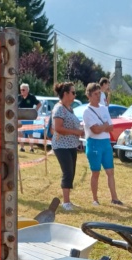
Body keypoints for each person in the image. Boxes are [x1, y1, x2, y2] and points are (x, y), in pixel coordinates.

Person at [82, 82, 122, 206]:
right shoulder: (87, 111)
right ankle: (95, 199)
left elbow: (110, 127)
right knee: (96, 172)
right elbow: (95, 130)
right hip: (94, 143)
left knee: (110, 171)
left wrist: (103, 126)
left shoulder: (104, 108)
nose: (98, 96)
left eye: (99, 93)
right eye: (95, 94)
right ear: (89, 95)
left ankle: (114, 198)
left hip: (105, 143)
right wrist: (104, 126)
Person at [50, 81, 84, 212]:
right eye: (73, 92)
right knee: (68, 172)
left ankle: (68, 200)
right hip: (61, 145)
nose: (75, 95)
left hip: (71, 145)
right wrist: (77, 132)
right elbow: (58, 128)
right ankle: (65, 203)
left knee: (72, 172)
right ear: (66, 94)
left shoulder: (69, 108)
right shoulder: (59, 109)